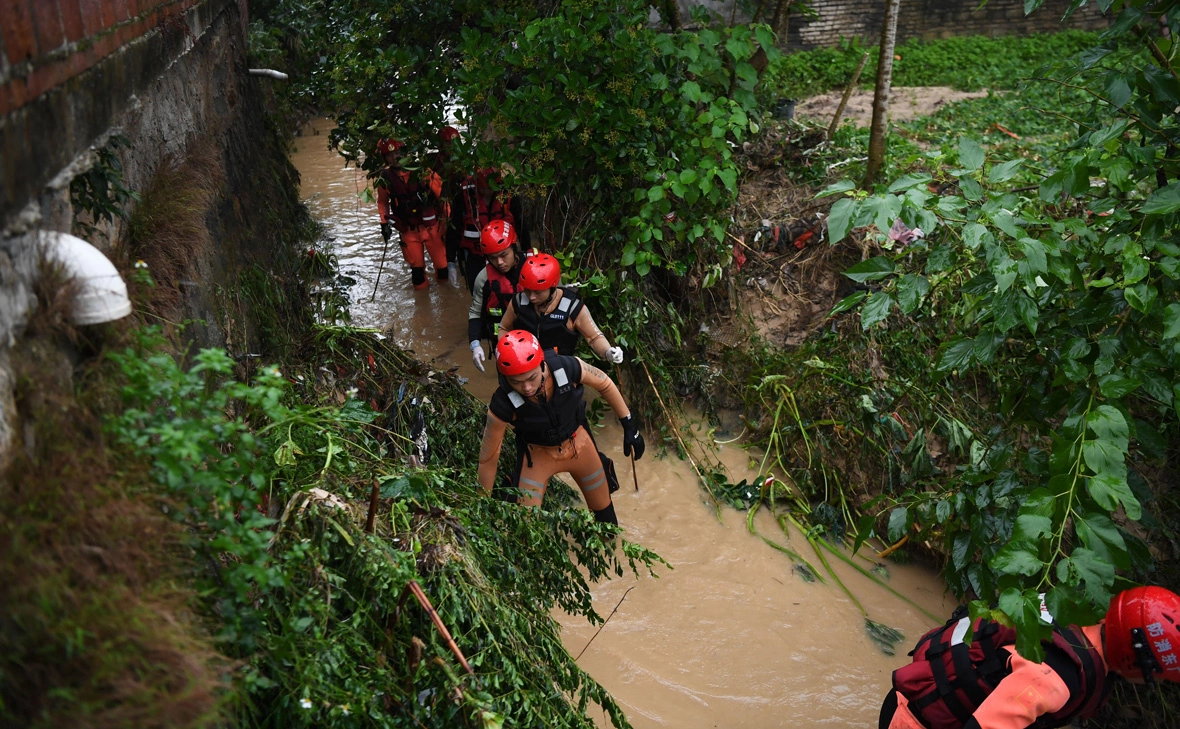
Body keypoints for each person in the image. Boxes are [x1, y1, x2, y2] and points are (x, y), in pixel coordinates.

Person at [879, 586, 1180, 729]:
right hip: (911, 719)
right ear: (1135, 660)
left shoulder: (1071, 610)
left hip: (921, 687)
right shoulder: (1054, 678)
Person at [477, 330, 644, 524]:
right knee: (526, 528)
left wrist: (629, 426)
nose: (527, 388)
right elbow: (488, 458)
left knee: (606, 521)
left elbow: (604, 384)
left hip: (579, 446)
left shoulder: (566, 366)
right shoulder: (502, 402)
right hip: (537, 456)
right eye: (516, 382)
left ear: (542, 365)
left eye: (531, 378)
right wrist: (481, 505)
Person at [499, 252, 624, 363]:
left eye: (538, 292)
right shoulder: (518, 302)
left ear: (552, 287)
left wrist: (608, 352)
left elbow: (594, 337)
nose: (531, 297)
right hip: (525, 368)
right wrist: (506, 352)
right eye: (527, 290)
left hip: (560, 369)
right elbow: (503, 328)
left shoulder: (573, 308)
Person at [375, 138, 450, 289]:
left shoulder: (423, 172)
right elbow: (382, 202)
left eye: (398, 153)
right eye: (390, 155)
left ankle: (446, 297)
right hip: (408, 231)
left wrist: (446, 223)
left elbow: (443, 197)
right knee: (417, 275)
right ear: (385, 158)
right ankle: (422, 306)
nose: (395, 157)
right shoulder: (385, 179)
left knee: (443, 269)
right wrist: (384, 224)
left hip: (432, 228)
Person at [452, 167, 528, 292]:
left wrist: (526, 251)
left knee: (511, 290)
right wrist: (451, 261)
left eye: (490, 188)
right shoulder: (463, 196)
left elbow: (521, 225)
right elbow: (454, 228)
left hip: (503, 253)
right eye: (483, 188)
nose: (487, 191)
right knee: (479, 292)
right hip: (475, 256)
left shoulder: (509, 194)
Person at [468, 220, 525, 372]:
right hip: (502, 343)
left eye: (503, 255)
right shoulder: (483, 278)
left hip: (533, 338)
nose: (499, 262)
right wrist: (475, 344)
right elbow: (475, 312)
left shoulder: (533, 267)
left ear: (514, 247)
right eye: (492, 258)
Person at [434, 126, 464, 288]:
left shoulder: (462, 161)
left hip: (458, 207)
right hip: (440, 210)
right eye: (448, 144)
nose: (452, 147)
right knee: (442, 245)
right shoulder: (433, 163)